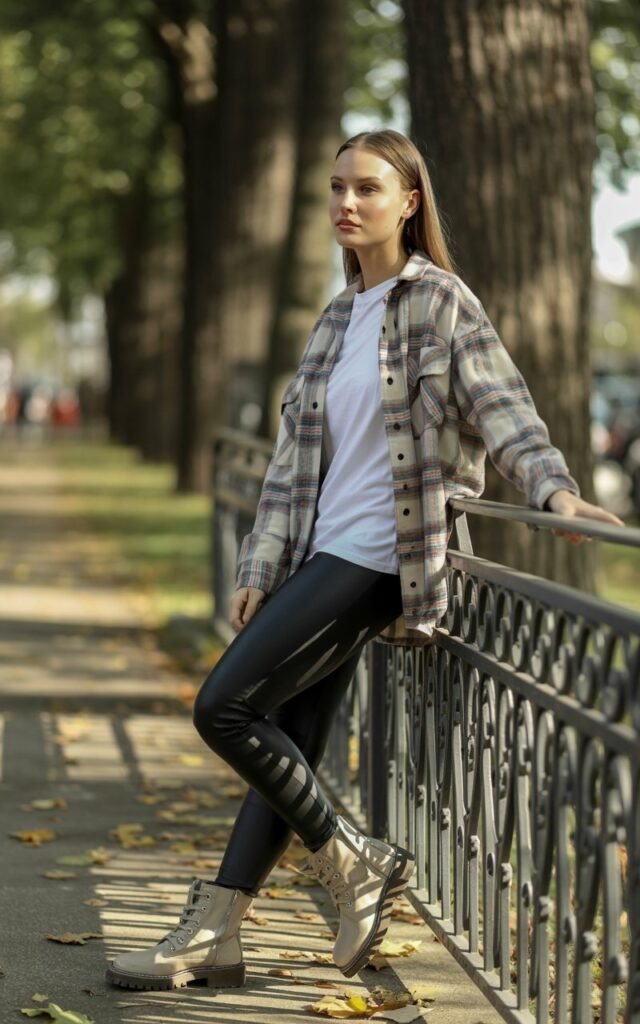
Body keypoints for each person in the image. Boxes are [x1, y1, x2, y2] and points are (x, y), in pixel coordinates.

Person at [106, 129, 624, 992]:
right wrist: (259, 566)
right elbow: (289, 463)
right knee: (291, 737)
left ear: (409, 201)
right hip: (320, 552)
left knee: (222, 708)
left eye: (368, 189)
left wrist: (555, 493)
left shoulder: (443, 303)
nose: (347, 204)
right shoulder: (336, 318)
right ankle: (218, 936)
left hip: (384, 554)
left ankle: (352, 859)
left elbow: (505, 412)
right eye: (337, 188)